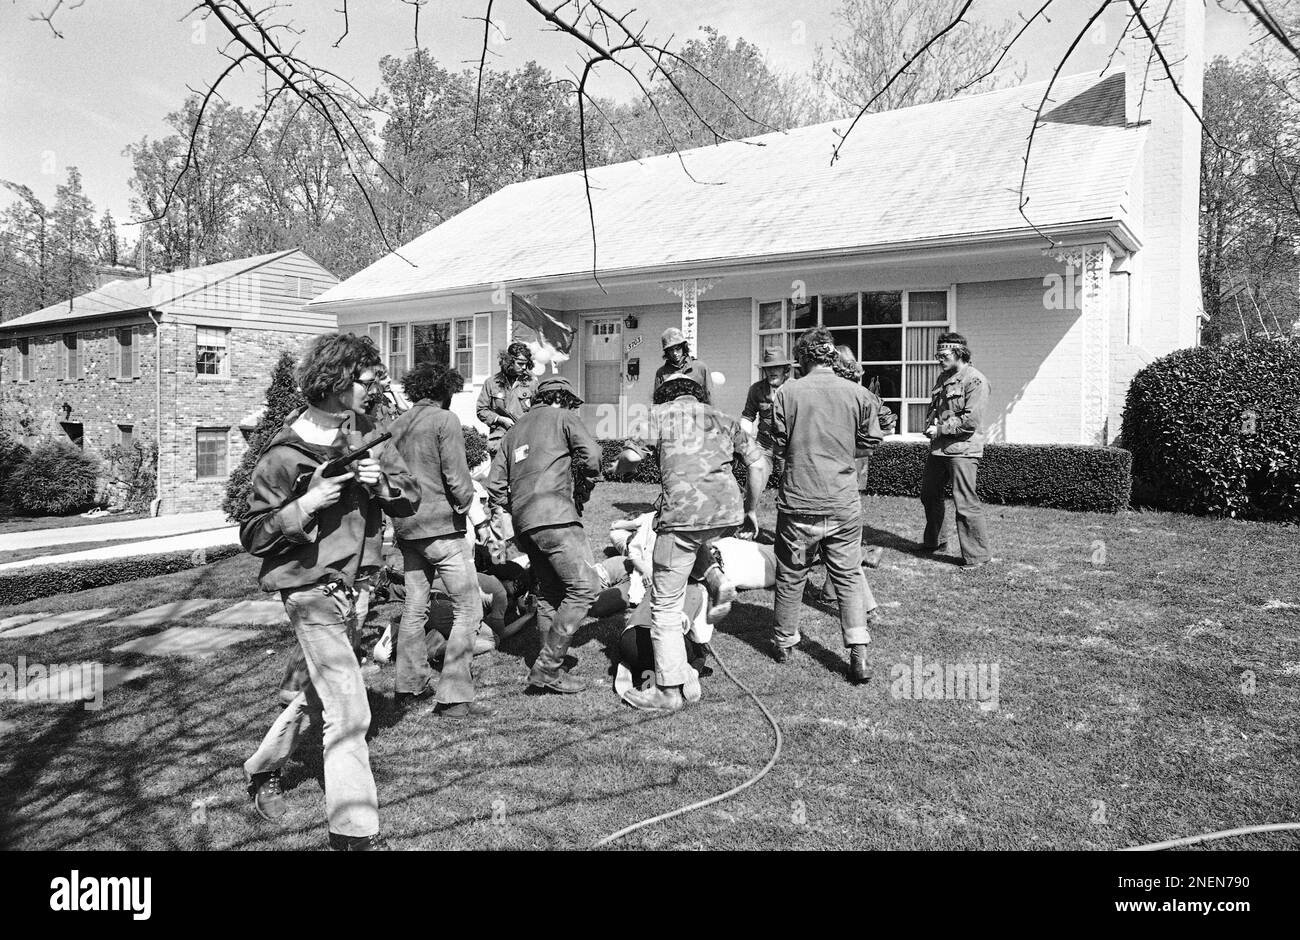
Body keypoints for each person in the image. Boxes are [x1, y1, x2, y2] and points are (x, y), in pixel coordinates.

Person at [240, 332, 419, 852]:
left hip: (357, 587)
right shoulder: (282, 454)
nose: (374, 390)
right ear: (338, 380)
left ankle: (262, 769)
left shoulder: (365, 436)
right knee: (350, 710)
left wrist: (379, 481)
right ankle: (354, 833)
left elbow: (407, 500)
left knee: (322, 691)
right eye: (366, 381)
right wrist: (309, 501)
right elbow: (253, 534)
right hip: (308, 591)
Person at [611, 373, 767, 712]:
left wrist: (619, 465)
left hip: (682, 516)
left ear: (662, 396)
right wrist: (751, 509)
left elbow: (634, 457)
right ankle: (715, 578)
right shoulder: (724, 418)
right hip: (726, 512)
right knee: (693, 544)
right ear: (700, 395)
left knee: (665, 607)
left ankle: (667, 692)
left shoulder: (657, 414)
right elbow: (759, 464)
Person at [770, 327, 884, 684]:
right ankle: (858, 652)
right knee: (848, 576)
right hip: (842, 500)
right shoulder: (859, 394)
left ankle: (784, 643)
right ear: (832, 357)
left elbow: (777, 444)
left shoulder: (786, 392)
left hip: (798, 500)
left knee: (791, 573)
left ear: (803, 357)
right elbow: (870, 443)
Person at [386, 360, 493, 720]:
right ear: (445, 390)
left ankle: (408, 687)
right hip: (442, 529)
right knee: (469, 608)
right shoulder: (444, 421)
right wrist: (475, 514)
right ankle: (454, 696)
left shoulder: (397, 423)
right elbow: (457, 478)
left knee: (415, 608)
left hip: (407, 529)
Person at [487, 375, 601, 694]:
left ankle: (548, 662)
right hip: (556, 516)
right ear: (562, 399)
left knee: (551, 590)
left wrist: (519, 510)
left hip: (525, 524)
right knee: (584, 587)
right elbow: (592, 456)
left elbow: (494, 486)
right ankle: (548, 666)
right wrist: (585, 485)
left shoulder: (513, 430)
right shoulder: (563, 417)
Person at [919, 331, 991, 568]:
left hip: (962, 449)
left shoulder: (975, 380)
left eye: (943, 354)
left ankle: (977, 556)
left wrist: (940, 430)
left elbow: (970, 420)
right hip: (939, 450)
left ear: (959, 353)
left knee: (965, 502)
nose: (939, 358)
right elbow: (939, 409)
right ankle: (935, 541)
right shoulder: (943, 378)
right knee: (929, 494)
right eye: (937, 354)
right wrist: (931, 425)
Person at [741, 346, 792, 483]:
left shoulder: (794, 388)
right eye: (769, 368)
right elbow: (748, 416)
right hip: (763, 444)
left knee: (789, 485)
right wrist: (745, 442)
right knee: (755, 480)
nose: (772, 371)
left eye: (777, 367)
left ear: (785, 369)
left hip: (789, 445)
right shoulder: (756, 389)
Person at [477, 342, 537, 453]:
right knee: (498, 470)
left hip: (523, 440)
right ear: (509, 361)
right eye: (520, 363)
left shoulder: (531, 383)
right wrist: (500, 419)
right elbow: (481, 410)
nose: (524, 367)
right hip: (499, 441)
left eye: (526, 364)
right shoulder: (492, 383)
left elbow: (539, 411)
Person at [653, 327, 712, 399]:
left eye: (677, 348)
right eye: (671, 350)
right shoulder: (661, 373)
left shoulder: (700, 368)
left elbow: (709, 397)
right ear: (667, 352)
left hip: (696, 409)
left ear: (683, 347)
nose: (675, 353)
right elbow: (657, 402)